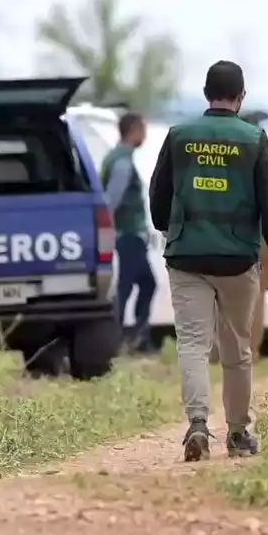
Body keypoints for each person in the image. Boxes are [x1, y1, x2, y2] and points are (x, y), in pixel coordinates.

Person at [149, 60, 268, 461]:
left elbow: (159, 193)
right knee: (237, 348)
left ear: (206, 93)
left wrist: (168, 227)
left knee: (192, 344)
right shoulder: (254, 139)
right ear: (241, 96)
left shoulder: (179, 136)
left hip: (187, 253)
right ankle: (240, 434)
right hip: (236, 259)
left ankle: (196, 425)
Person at [101, 112, 158, 354]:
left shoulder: (116, 158)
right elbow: (111, 200)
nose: (144, 135)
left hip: (129, 233)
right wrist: (110, 232)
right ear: (133, 130)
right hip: (128, 233)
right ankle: (125, 338)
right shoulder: (122, 162)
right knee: (130, 286)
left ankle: (132, 336)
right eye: (142, 129)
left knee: (143, 283)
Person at [238, 109, 268, 362]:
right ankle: (251, 351)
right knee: (256, 299)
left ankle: (224, 350)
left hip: (234, 237)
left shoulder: (230, 170)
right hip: (262, 240)